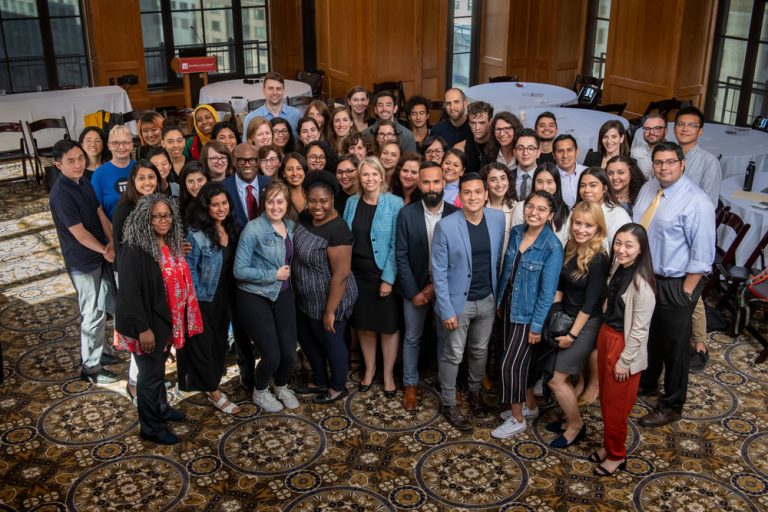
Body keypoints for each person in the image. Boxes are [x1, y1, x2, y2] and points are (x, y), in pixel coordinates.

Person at [633, 141, 715, 427]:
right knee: (651, 335)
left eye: (670, 162)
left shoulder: (698, 202)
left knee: (675, 348)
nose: (664, 167)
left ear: (682, 164)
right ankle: (649, 383)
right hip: (647, 277)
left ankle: (672, 404)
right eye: (659, 162)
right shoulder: (648, 188)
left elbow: (703, 256)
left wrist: (685, 292)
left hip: (676, 282)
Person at [115, 194, 203, 445]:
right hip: (147, 326)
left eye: (167, 215)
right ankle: (151, 427)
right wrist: (144, 329)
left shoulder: (167, 242)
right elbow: (129, 294)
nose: (163, 220)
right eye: (156, 216)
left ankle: (162, 409)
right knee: (149, 377)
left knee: (158, 371)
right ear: (145, 219)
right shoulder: (135, 248)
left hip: (165, 322)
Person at [432, 172, 506, 430]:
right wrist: (446, 309)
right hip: (457, 304)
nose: (473, 197)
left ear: (486, 194)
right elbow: (438, 272)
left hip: (486, 299)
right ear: (460, 196)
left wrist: (498, 298)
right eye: (467, 192)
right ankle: (449, 402)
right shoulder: (447, 225)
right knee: (453, 354)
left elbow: (499, 260)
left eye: (478, 192)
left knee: (479, 351)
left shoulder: (497, 219)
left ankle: (474, 394)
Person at [491, 191, 563, 439]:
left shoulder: (552, 246)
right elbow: (506, 271)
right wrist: (500, 300)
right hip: (508, 306)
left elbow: (547, 292)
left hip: (528, 314)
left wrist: (536, 325)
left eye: (541, 209)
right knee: (521, 364)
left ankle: (518, 418)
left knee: (510, 365)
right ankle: (530, 406)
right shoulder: (518, 232)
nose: (534, 212)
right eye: (530, 207)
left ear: (550, 214)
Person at [49, 139, 119, 384]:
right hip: (83, 261)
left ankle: (100, 353)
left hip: (100, 253)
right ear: (58, 165)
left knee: (106, 305)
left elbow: (99, 212)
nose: (79, 164)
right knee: (92, 312)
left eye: (80, 158)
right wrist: (104, 250)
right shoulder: (60, 194)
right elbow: (78, 233)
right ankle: (91, 368)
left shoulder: (85, 181)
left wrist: (111, 241)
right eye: (71, 161)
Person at [592, 223, 656, 476]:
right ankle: (609, 445)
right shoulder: (619, 267)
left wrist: (624, 361)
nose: (621, 249)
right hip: (607, 336)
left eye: (629, 245)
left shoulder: (643, 285)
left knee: (617, 408)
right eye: (618, 243)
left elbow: (639, 331)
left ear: (641, 250)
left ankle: (617, 455)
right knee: (606, 401)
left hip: (624, 346)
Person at [396, 161, 458, 410]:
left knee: (445, 339)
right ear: (419, 184)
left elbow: (458, 259)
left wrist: (435, 289)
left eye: (436, 181)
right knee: (412, 338)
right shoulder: (406, 214)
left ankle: (446, 386)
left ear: (444, 183)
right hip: (414, 288)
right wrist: (413, 292)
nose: (432, 187)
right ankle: (410, 384)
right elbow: (400, 255)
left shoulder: (456, 214)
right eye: (426, 182)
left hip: (446, 289)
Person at [547, 201, 609, 448]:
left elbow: (591, 303)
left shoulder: (599, 258)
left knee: (556, 378)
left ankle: (576, 426)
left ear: (598, 228)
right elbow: (561, 286)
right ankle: (568, 419)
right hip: (566, 318)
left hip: (586, 324)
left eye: (588, 225)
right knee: (558, 376)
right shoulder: (570, 246)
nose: (581, 230)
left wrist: (572, 335)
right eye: (578, 223)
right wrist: (554, 317)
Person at [234, 181, 299, 412]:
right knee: (271, 355)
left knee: (290, 354)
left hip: (283, 295)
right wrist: (273, 274)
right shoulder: (253, 229)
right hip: (254, 296)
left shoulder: (291, 225)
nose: (275, 206)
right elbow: (239, 270)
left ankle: (281, 386)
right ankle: (260, 391)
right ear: (264, 203)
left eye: (279, 201)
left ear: (287, 203)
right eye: (270, 201)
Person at [293, 172, 358, 403]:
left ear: (332, 199)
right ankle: (319, 380)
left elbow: (341, 275)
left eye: (323, 201)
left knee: (332, 343)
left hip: (330, 299)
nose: (318, 206)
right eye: (312, 201)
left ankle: (338, 386)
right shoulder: (306, 217)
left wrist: (330, 310)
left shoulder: (338, 230)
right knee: (309, 341)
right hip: (306, 298)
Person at [343, 156, 404, 397]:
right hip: (357, 274)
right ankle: (370, 370)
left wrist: (388, 279)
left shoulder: (394, 203)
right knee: (365, 326)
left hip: (382, 273)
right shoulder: (351, 202)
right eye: (365, 174)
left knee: (388, 328)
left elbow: (396, 244)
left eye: (373, 174)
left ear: (381, 176)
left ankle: (388, 374)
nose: (369, 179)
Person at [183, 182, 241, 415]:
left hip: (226, 295)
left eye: (224, 203)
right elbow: (190, 270)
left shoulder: (231, 226)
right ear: (205, 207)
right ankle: (214, 392)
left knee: (218, 343)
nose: (220, 208)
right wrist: (195, 303)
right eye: (214, 204)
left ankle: (212, 384)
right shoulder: (196, 234)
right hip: (204, 297)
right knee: (204, 345)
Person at [673, 106, 721, 373]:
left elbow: (709, 205)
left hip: (693, 235)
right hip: (671, 234)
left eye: (691, 125)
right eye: (681, 124)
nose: (685, 129)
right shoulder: (670, 155)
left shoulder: (708, 162)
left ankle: (700, 345)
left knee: (692, 293)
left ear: (700, 131)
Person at [112, 161, 161, 403]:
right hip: (131, 274)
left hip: (154, 275)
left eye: (151, 177)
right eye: (141, 178)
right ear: (133, 181)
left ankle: (155, 393)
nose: (147, 183)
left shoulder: (158, 202)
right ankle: (135, 382)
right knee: (141, 336)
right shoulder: (125, 209)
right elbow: (123, 252)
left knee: (155, 341)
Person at [577, 167, 632, 249]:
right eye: (582, 186)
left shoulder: (618, 215)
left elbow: (621, 251)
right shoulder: (575, 211)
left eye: (593, 185)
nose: (586, 190)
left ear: (604, 189)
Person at [223, 143, 272, 232]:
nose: (247, 165)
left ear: (258, 161)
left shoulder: (270, 183)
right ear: (234, 161)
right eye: (241, 160)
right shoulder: (223, 187)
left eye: (252, 160)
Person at [91, 124, 134, 220]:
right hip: (112, 230)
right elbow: (97, 210)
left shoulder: (140, 168)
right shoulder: (99, 174)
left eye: (126, 142)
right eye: (115, 143)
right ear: (109, 146)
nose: (121, 147)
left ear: (131, 145)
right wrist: (111, 234)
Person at [242, 71, 302, 137]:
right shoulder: (251, 118)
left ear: (283, 90)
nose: (274, 92)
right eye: (271, 88)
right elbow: (247, 145)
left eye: (278, 89)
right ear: (264, 90)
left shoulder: (295, 114)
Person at [481, 162, 520, 255]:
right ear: (486, 183)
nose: (499, 184)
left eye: (503, 178)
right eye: (493, 180)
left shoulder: (516, 208)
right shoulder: (479, 208)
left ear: (508, 181)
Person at [455, 101, 493, 173]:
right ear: (469, 123)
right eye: (473, 123)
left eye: (482, 123)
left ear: (490, 122)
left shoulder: (499, 146)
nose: (477, 128)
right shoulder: (460, 148)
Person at [553, 134, 587, 208]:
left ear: (577, 152)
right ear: (554, 155)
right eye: (560, 151)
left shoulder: (588, 172)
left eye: (569, 150)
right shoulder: (549, 176)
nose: (565, 155)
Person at [630, 113, 666, 178]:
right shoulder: (635, 153)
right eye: (647, 128)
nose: (651, 132)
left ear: (665, 131)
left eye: (657, 128)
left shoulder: (674, 154)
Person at [511, 129, 541, 202]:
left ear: (538, 152)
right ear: (514, 152)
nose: (525, 153)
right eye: (520, 148)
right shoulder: (507, 177)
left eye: (530, 148)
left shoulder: (546, 177)